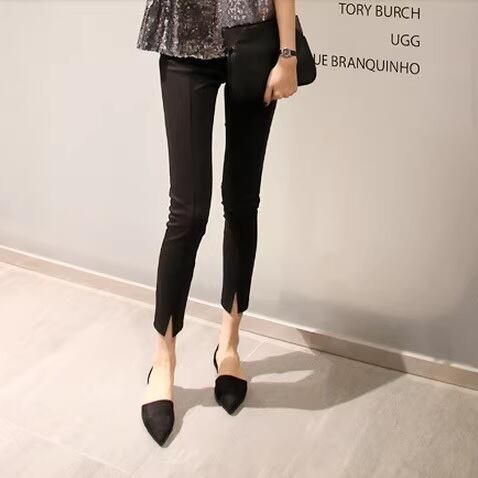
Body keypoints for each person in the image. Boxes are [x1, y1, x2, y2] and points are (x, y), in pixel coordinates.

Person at [137, 0, 298, 446]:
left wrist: (287, 53)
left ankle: (229, 345)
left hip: (254, 36)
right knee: (188, 214)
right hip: (182, 40)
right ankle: (164, 359)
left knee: (242, 203)